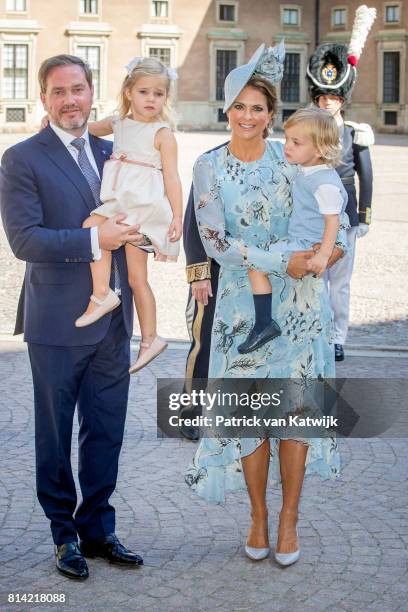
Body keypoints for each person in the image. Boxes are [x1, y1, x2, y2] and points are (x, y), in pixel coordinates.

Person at [184, 42, 348, 567]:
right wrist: (286, 261)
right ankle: (257, 515)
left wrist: (330, 251)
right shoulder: (208, 167)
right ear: (226, 110)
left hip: (299, 310)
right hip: (240, 310)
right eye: (239, 107)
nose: (248, 116)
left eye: (259, 108)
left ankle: (289, 518)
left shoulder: (294, 156)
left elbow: (336, 222)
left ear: (271, 115)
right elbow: (215, 242)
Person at [0, 54, 144, 580]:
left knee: (106, 429)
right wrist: (93, 240)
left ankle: (99, 528)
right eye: (58, 92)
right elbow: (24, 240)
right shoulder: (22, 158)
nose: (69, 100)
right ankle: (64, 536)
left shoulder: (115, 153)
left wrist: (148, 231)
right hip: (57, 322)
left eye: (78, 89)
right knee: (55, 433)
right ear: (44, 99)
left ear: (92, 93)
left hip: (113, 320)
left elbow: (141, 214)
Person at [73, 56, 182, 373]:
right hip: (122, 203)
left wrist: (176, 216)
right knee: (136, 278)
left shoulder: (163, 134)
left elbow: (173, 178)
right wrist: (50, 126)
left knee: (92, 225)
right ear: (129, 92)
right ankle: (151, 339)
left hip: (140, 207)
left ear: (165, 98)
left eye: (158, 94)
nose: (151, 99)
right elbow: (84, 129)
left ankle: (103, 294)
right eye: (144, 92)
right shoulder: (118, 123)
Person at [238, 107, 347, 354]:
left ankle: (264, 324)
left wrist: (322, 255)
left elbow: (334, 221)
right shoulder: (308, 170)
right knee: (259, 268)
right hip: (299, 239)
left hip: (305, 244)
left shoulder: (324, 183)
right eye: (287, 139)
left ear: (319, 150)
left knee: (256, 266)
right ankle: (265, 323)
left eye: (296, 142)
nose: (287, 146)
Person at [306, 4, 376, 361]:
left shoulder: (355, 133)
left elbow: (366, 174)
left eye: (334, 97)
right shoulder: (308, 131)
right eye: (323, 97)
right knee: (313, 279)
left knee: (340, 284)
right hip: (313, 217)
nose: (329, 102)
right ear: (317, 98)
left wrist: (364, 216)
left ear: (341, 99)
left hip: (345, 216)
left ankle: (337, 337)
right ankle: (314, 332)